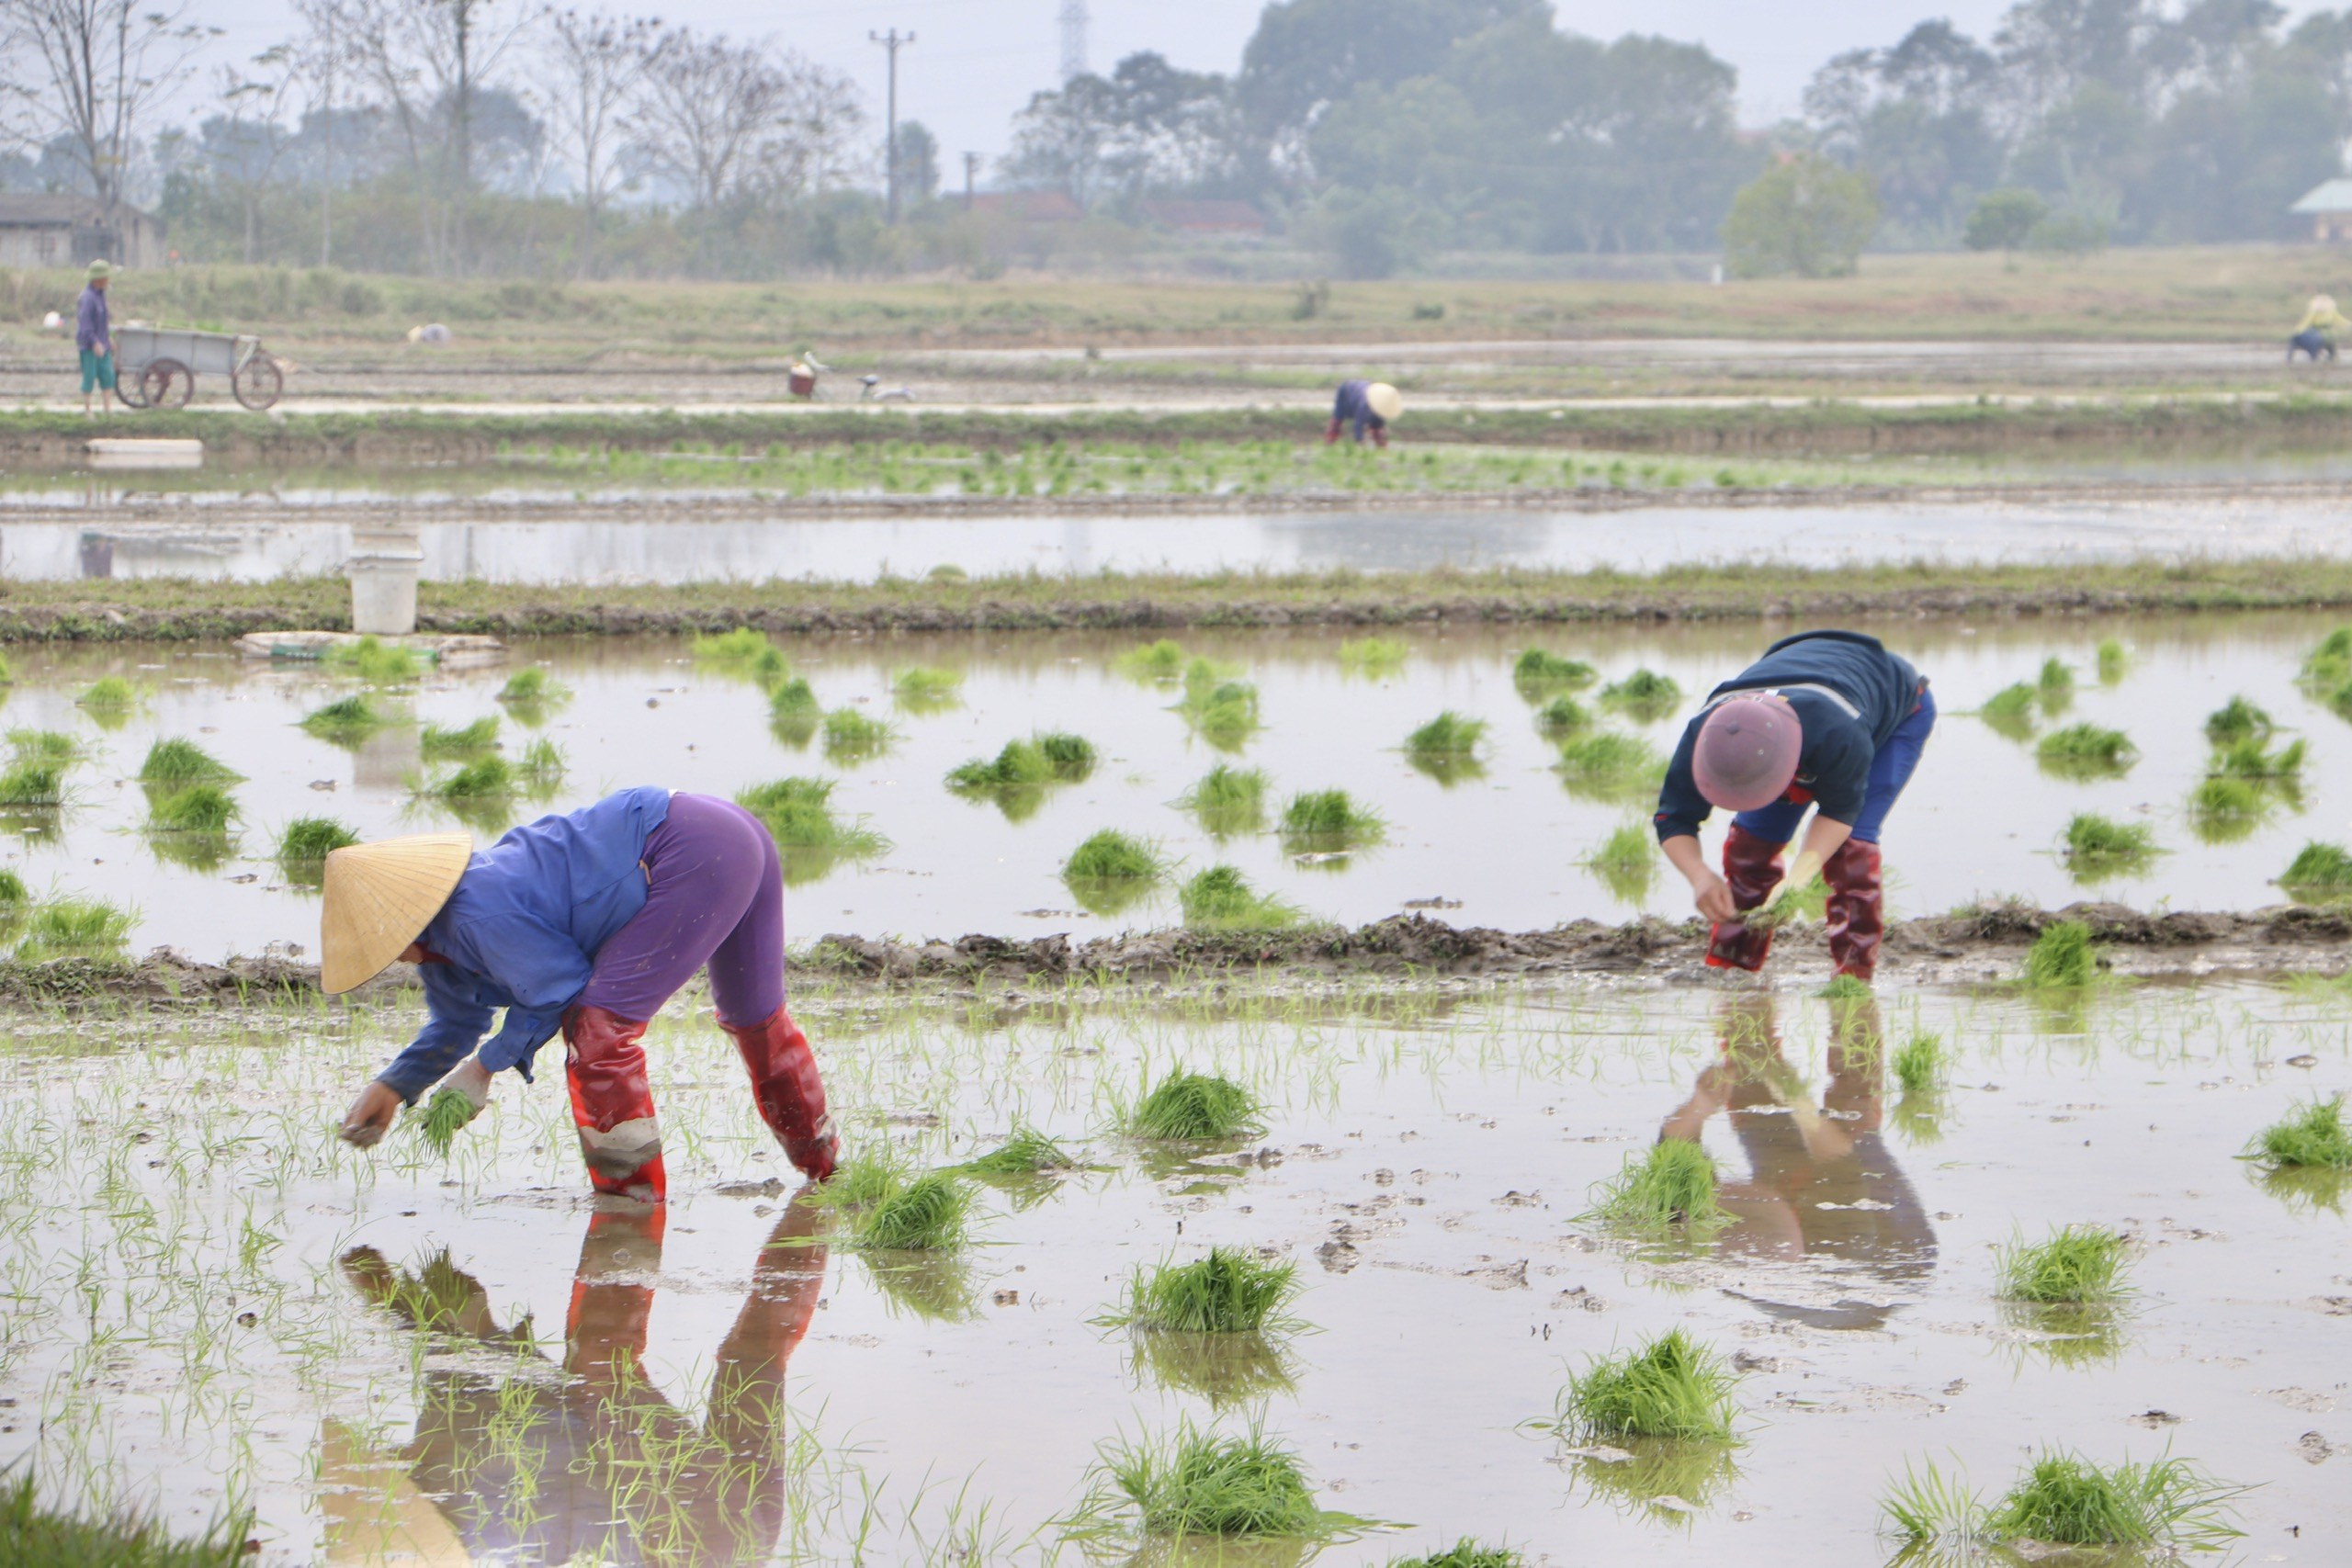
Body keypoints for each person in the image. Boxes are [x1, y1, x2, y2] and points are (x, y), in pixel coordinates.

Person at [328, 787, 837, 1199]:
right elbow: (455, 1023)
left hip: (688, 849)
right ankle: (829, 1175)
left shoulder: (474, 913)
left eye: (381, 945)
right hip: (721, 828)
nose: (388, 959)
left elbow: (558, 988)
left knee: (599, 1035)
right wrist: (393, 1087)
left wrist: (483, 1069)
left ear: (401, 926)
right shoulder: (440, 941)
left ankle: (630, 1204)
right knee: (755, 1017)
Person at [1652, 628, 1934, 982]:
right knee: (1749, 848)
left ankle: (1853, 978)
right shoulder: (1704, 733)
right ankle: (1732, 972)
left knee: (1851, 850)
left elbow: (1838, 814)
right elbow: (1672, 818)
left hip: (1896, 704)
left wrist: (1798, 879)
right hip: (1795, 698)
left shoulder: (1840, 733)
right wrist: (1700, 877)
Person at [76, 260, 118, 418]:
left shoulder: (101, 295)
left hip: (103, 342)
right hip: (89, 345)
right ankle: (88, 412)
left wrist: (107, 339)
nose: (108, 281)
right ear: (98, 279)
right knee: (89, 377)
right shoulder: (87, 298)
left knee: (108, 375)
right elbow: (86, 324)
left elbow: (102, 321)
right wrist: (94, 343)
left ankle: (108, 410)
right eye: (106, 278)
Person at [1326, 379, 1401, 447]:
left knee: (1377, 425)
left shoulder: (1381, 407)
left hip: (1361, 391)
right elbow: (1358, 425)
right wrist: (1360, 441)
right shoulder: (1364, 406)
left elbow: (1379, 426)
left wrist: (1382, 440)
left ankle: (1381, 447)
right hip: (1346, 392)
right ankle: (1330, 443)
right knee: (1338, 419)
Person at [2290, 293, 2348, 361]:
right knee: (2330, 345)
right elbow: (2340, 320)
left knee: (2321, 342)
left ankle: (2322, 356)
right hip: (2325, 333)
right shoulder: (2326, 311)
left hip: (2319, 333)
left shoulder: (2320, 311)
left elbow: (2306, 322)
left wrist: (2297, 330)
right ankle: (2331, 356)